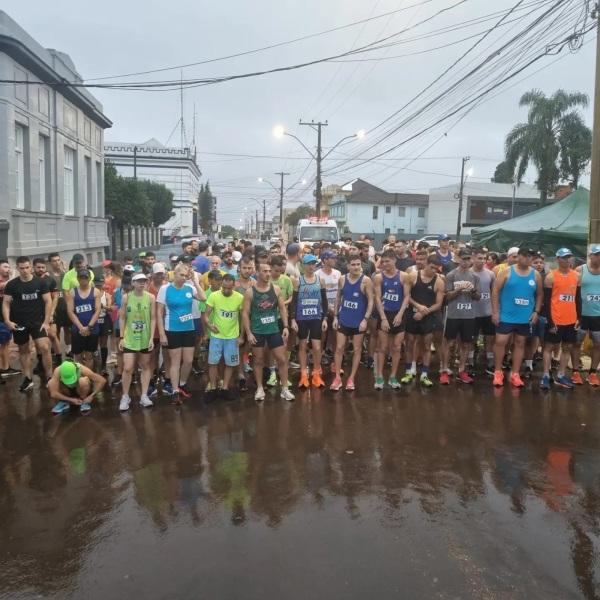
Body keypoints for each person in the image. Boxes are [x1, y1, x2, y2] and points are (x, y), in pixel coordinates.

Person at [242, 262, 295, 402]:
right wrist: (248, 333)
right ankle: (259, 388)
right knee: (258, 360)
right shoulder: (250, 292)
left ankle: (284, 388)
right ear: (258, 272)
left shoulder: (276, 289)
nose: (267, 273)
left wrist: (285, 326)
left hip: (273, 330)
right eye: (264, 271)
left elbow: (282, 308)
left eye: (269, 271)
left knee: (282, 359)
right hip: (257, 331)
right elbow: (245, 314)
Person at [491, 247, 543, 387]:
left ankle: (515, 373)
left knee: (520, 342)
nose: (528, 259)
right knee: (501, 341)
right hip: (506, 314)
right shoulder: (506, 272)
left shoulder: (536, 275)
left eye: (530, 257)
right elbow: (495, 291)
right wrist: (495, 312)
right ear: (518, 256)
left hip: (524, 316)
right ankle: (497, 371)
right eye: (525, 256)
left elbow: (539, 294)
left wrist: (536, 311)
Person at [157, 263, 206, 402]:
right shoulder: (165, 289)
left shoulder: (190, 288)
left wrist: (195, 282)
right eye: (181, 275)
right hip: (172, 329)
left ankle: (182, 384)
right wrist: (162, 333)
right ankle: (174, 390)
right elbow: (159, 312)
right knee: (175, 361)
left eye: (186, 275)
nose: (183, 278)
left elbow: (203, 298)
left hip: (189, 329)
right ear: (174, 274)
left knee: (189, 361)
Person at [3, 256, 53, 391]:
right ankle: (28, 378)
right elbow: (6, 303)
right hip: (19, 322)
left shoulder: (40, 283)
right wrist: (7, 320)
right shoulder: (12, 285)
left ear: (30, 267)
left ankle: (50, 377)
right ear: (17, 269)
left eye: (27, 267)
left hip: (37, 321)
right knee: (23, 350)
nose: (25, 270)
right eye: (22, 268)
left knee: (45, 347)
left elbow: (48, 301)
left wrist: (47, 321)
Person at [330, 256, 374, 391]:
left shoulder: (366, 281)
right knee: (339, 348)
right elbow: (338, 298)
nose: (356, 267)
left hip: (358, 321)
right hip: (344, 318)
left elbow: (371, 301)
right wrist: (336, 317)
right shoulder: (342, 279)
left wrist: (365, 320)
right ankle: (337, 377)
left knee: (357, 349)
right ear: (348, 266)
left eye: (358, 264)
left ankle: (351, 378)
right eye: (353, 264)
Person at [539, 248, 579, 390]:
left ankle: (561, 375)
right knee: (549, 347)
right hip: (555, 319)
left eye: (569, 257)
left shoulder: (576, 276)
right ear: (558, 259)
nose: (567, 260)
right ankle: (545, 375)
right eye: (564, 257)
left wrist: (578, 318)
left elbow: (578, 298)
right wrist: (550, 321)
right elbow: (547, 301)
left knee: (567, 347)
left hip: (571, 320)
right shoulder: (551, 277)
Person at [402, 256, 445, 387]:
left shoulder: (439, 281)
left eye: (436, 269)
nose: (433, 271)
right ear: (426, 264)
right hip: (412, 315)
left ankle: (424, 374)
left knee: (426, 346)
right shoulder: (413, 276)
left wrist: (424, 312)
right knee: (410, 343)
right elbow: (406, 296)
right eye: (431, 267)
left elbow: (439, 304)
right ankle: (409, 371)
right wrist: (418, 307)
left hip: (428, 316)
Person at [440, 249, 481, 384]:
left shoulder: (475, 277)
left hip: (469, 315)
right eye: (464, 259)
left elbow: (478, 297)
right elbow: (447, 297)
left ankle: (462, 370)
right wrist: (458, 290)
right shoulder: (451, 275)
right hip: (453, 314)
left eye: (468, 259)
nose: (466, 262)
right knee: (448, 343)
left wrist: (473, 291)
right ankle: (444, 370)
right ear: (458, 259)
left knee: (465, 344)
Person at [118, 272, 157, 410]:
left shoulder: (151, 297)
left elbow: (153, 318)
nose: (142, 283)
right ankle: (125, 396)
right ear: (133, 283)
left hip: (145, 338)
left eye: (144, 281)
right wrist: (121, 337)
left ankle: (144, 395)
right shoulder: (126, 297)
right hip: (130, 338)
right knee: (128, 367)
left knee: (145, 366)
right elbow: (122, 318)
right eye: (139, 281)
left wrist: (151, 337)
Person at [373, 250, 411, 389]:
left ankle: (393, 376)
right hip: (385, 313)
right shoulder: (379, 277)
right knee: (382, 347)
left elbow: (407, 296)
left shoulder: (404, 276)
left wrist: (400, 314)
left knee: (396, 347)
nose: (385, 264)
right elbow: (377, 298)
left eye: (387, 261)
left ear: (394, 260)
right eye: (383, 262)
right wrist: (383, 318)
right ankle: (379, 376)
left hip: (398, 314)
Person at [203, 274, 244, 401]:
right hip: (216, 336)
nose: (226, 290)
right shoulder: (214, 296)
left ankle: (225, 388)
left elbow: (242, 318)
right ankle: (213, 388)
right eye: (224, 288)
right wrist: (209, 325)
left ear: (234, 286)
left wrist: (242, 336)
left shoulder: (239, 298)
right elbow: (205, 315)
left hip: (232, 337)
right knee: (213, 363)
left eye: (229, 288)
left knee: (230, 363)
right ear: (221, 284)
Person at [290, 254, 328, 389]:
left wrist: (325, 318)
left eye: (314, 264)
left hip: (316, 317)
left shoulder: (320, 280)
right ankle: (303, 373)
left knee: (317, 347)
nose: (312, 266)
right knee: (302, 346)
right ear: (303, 265)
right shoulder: (298, 281)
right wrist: (293, 319)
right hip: (302, 318)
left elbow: (324, 301)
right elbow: (293, 302)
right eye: (309, 264)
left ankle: (316, 372)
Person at [66, 269, 101, 370]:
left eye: (86, 278)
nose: (83, 280)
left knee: (89, 355)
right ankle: (79, 377)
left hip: (92, 328)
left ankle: (88, 377)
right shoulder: (73, 292)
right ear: (78, 279)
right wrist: (81, 327)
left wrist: (89, 327)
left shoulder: (95, 292)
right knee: (77, 356)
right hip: (77, 329)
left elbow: (97, 310)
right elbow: (70, 311)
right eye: (81, 278)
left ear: (89, 278)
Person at [575, 244, 600, 386]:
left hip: (598, 316)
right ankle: (576, 372)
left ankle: (592, 373)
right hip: (582, 315)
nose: (599, 257)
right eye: (596, 254)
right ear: (590, 256)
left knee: (598, 345)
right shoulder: (580, 270)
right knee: (576, 343)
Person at [470, 248, 496, 375]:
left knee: (490, 339)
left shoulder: (490, 274)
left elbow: (494, 293)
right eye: (479, 258)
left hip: (487, 312)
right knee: (471, 339)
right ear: (473, 258)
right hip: (472, 313)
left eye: (484, 259)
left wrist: (495, 311)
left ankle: (490, 362)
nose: (482, 261)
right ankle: (470, 361)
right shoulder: (467, 273)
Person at [0, 259, 17, 379]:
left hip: (7, 316)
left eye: (9, 267)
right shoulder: (5, 282)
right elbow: (6, 285)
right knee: (3, 343)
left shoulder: (8, 281)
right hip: (1, 317)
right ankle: (5, 368)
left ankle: (5, 367)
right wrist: (14, 275)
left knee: (5, 343)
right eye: (5, 267)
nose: (8, 269)